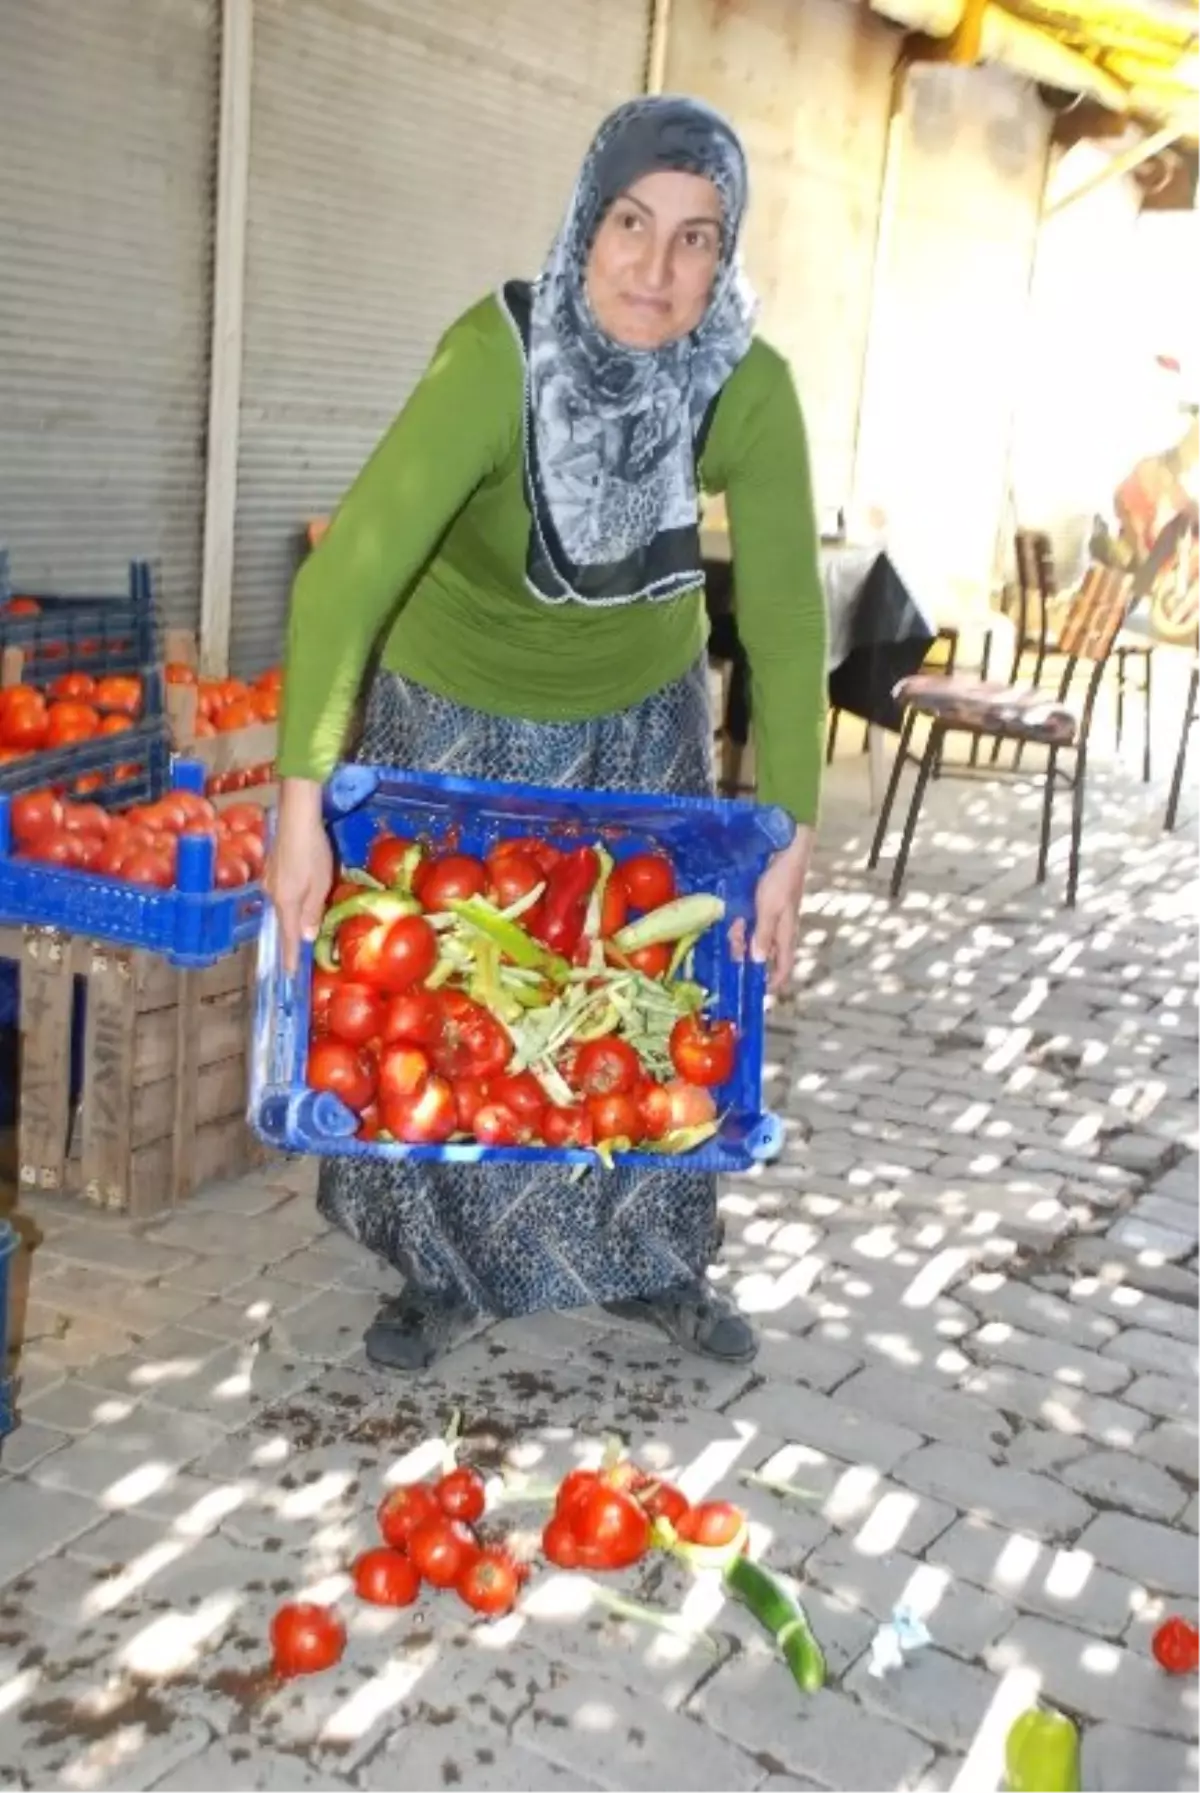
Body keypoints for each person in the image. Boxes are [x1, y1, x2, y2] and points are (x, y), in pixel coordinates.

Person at [267, 95, 828, 1374]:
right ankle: (440, 1273)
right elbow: (344, 576)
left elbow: (791, 619)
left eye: (697, 238)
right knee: (458, 993)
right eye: (632, 223)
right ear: (587, 220)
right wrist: (298, 805)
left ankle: (652, 1262)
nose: (656, 267)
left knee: (643, 992)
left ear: (726, 254)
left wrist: (789, 829)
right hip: (459, 703)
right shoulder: (496, 358)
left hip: (645, 712)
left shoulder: (744, 381)